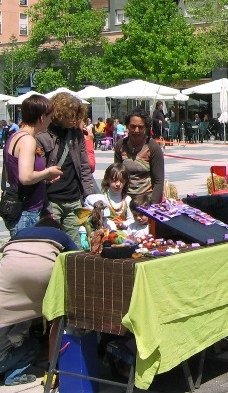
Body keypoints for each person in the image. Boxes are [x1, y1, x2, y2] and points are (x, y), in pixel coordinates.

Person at [0, 217, 77, 386]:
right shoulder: (60, 235)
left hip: (7, 274)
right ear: (59, 229)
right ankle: (49, 369)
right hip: (43, 272)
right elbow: (77, 258)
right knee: (56, 313)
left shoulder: (21, 233)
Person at [36, 92, 95, 247]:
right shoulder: (42, 134)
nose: (74, 120)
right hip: (51, 199)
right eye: (70, 116)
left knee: (74, 246)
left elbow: (84, 167)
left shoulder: (76, 134)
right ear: (59, 113)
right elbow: (39, 171)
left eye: (76, 116)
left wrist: (89, 195)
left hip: (74, 198)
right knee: (51, 243)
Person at [1, 95, 63, 236]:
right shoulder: (27, 140)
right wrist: (48, 172)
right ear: (41, 118)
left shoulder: (15, 136)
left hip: (22, 209)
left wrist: (43, 177)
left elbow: (10, 176)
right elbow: (26, 177)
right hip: (27, 212)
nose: (51, 121)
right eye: (50, 117)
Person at [113, 108, 165, 204]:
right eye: (133, 126)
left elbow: (159, 181)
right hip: (124, 200)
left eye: (140, 127)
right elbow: (116, 175)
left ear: (146, 128)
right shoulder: (120, 145)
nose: (136, 130)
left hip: (146, 201)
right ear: (127, 126)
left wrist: (152, 205)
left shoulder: (153, 147)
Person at [83, 163, 132, 231]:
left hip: (124, 234)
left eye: (122, 181)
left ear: (126, 182)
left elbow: (132, 220)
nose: (118, 184)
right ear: (108, 179)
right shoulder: (102, 199)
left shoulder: (127, 199)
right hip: (105, 233)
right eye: (114, 180)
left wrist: (123, 224)